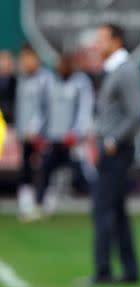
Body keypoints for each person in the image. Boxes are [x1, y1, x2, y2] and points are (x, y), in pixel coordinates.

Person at [86, 23, 140, 285]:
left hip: (117, 151)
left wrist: (111, 140)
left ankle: (103, 270)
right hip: (111, 150)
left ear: (117, 40)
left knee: (103, 210)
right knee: (117, 212)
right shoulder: (115, 69)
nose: (97, 44)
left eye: (102, 38)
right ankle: (130, 271)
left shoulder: (126, 70)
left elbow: (136, 114)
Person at [33, 53, 94, 217]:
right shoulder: (50, 82)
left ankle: (97, 205)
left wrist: (77, 132)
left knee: (82, 175)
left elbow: (84, 109)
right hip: (53, 138)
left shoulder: (81, 82)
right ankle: (39, 206)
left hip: (72, 141)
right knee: (44, 171)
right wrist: (38, 132)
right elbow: (44, 110)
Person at [15, 43, 53, 222]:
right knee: (25, 168)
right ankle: (26, 204)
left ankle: (44, 203)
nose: (24, 62)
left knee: (44, 168)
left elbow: (46, 107)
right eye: (22, 59)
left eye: (27, 58)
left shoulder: (46, 78)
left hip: (42, 135)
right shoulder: (22, 79)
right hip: (24, 133)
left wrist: (35, 128)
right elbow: (20, 107)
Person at [0, 50, 17, 124]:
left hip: (12, 125)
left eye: (8, 62)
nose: (5, 65)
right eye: (3, 61)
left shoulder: (17, 82)